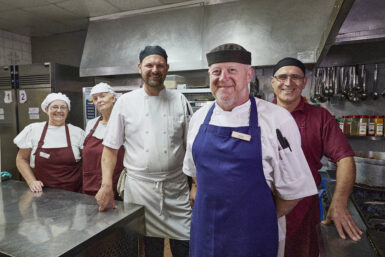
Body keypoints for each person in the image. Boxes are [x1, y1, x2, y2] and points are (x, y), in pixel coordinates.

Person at [183, 43, 318, 257]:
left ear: (249, 74)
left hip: (253, 236)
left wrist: (259, 218)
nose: (223, 77)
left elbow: (293, 190)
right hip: (205, 233)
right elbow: (195, 175)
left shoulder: (277, 119)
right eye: (216, 71)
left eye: (232, 71)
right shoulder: (199, 118)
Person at [95, 45, 192, 257]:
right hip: (140, 190)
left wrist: (196, 185)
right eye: (149, 65)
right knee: (148, 249)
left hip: (176, 188)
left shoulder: (180, 101)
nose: (155, 69)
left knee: (185, 245)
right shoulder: (125, 103)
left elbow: (192, 149)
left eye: (160, 65)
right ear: (140, 68)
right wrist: (106, 186)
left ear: (166, 68)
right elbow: (110, 149)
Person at [270, 57, 363, 257]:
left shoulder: (320, 117)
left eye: (296, 77)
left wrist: (339, 202)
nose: (288, 83)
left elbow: (345, 158)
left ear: (304, 83)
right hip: (263, 206)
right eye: (282, 77)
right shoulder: (259, 116)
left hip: (303, 211)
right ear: (273, 82)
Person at [14, 93, 84, 193]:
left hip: (74, 193)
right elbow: (21, 159)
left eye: (63, 107)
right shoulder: (33, 130)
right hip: (42, 192)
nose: (59, 110)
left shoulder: (78, 133)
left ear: (68, 110)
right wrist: (31, 181)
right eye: (54, 107)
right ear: (46, 109)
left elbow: (88, 161)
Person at [82, 82, 124, 199]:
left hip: (116, 184)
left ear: (113, 97)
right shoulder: (91, 124)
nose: (99, 100)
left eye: (102, 96)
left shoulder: (123, 123)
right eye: (95, 99)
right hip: (90, 184)